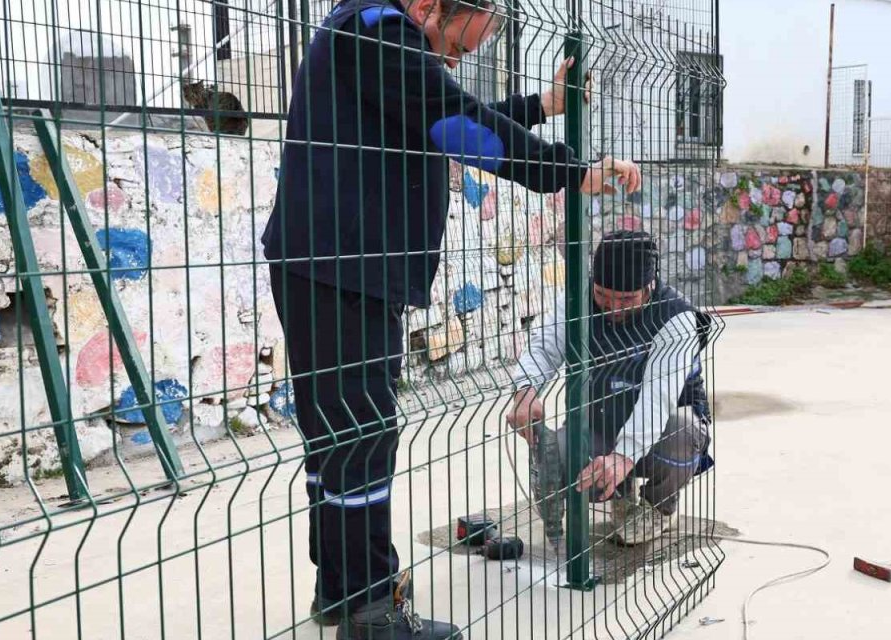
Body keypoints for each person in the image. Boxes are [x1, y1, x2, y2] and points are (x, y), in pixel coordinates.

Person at [262, 0, 643, 638]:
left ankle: (341, 589)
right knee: (362, 432)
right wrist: (570, 173)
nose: (455, 60)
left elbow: (439, 104)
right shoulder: (378, 29)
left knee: (340, 434)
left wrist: (543, 106)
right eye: (458, 45)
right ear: (427, 7)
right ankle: (371, 609)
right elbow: (452, 119)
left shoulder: (370, 34)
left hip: (334, 263)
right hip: (342, 266)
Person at [506, 230, 714, 546]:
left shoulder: (677, 318)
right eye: (604, 295)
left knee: (684, 429)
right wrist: (526, 389)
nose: (613, 308)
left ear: (650, 286)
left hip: (663, 432)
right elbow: (545, 345)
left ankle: (659, 508)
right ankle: (620, 492)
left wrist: (624, 455)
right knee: (552, 456)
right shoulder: (578, 299)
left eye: (626, 299)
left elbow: (658, 398)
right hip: (601, 423)